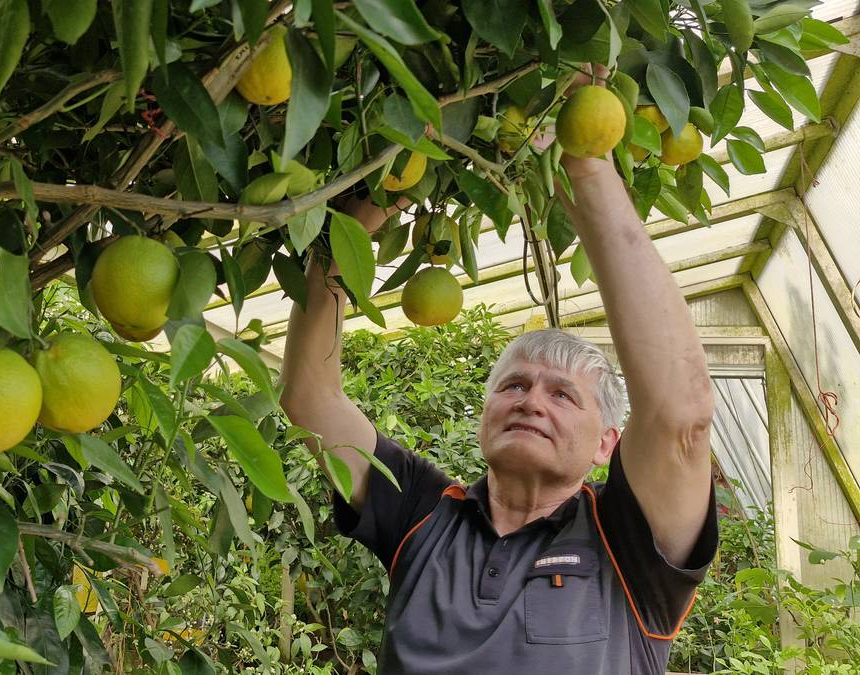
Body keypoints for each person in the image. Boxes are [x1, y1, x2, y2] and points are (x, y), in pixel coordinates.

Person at [277, 148, 719, 673]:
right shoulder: (423, 511)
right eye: (513, 386)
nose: (530, 401)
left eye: (561, 394)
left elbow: (681, 421)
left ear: (607, 443)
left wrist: (586, 167)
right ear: (484, 413)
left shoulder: (625, 540)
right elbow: (310, 398)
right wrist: (340, 243)